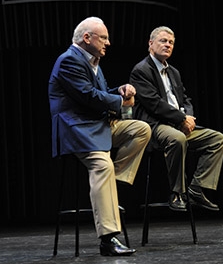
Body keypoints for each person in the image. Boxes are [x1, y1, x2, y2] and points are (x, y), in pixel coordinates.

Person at [48, 16, 151, 256]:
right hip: (77, 129)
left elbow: (100, 93)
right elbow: (88, 96)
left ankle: (113, 185)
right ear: (87, 38)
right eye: (103, 37)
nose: (108, 42)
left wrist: (120, 90)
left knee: (141, 129)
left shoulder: (93, 61)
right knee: (102, 164)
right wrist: (120, 100)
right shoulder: (68, 61)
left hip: (97, 124)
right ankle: (108, 239)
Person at [129, 26, 223, 212]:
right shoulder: (141, 70)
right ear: (151, 44)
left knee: (217, 139)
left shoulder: (174, 72)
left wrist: (188, 117)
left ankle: (196, 189)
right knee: (178, 139)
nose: (168, 45)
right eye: (163, 41)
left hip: (178, 124)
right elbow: (154, 104)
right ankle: (177, 192)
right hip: (156, 126)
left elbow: (185, 98)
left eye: (171, 42)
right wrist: (182, 118)